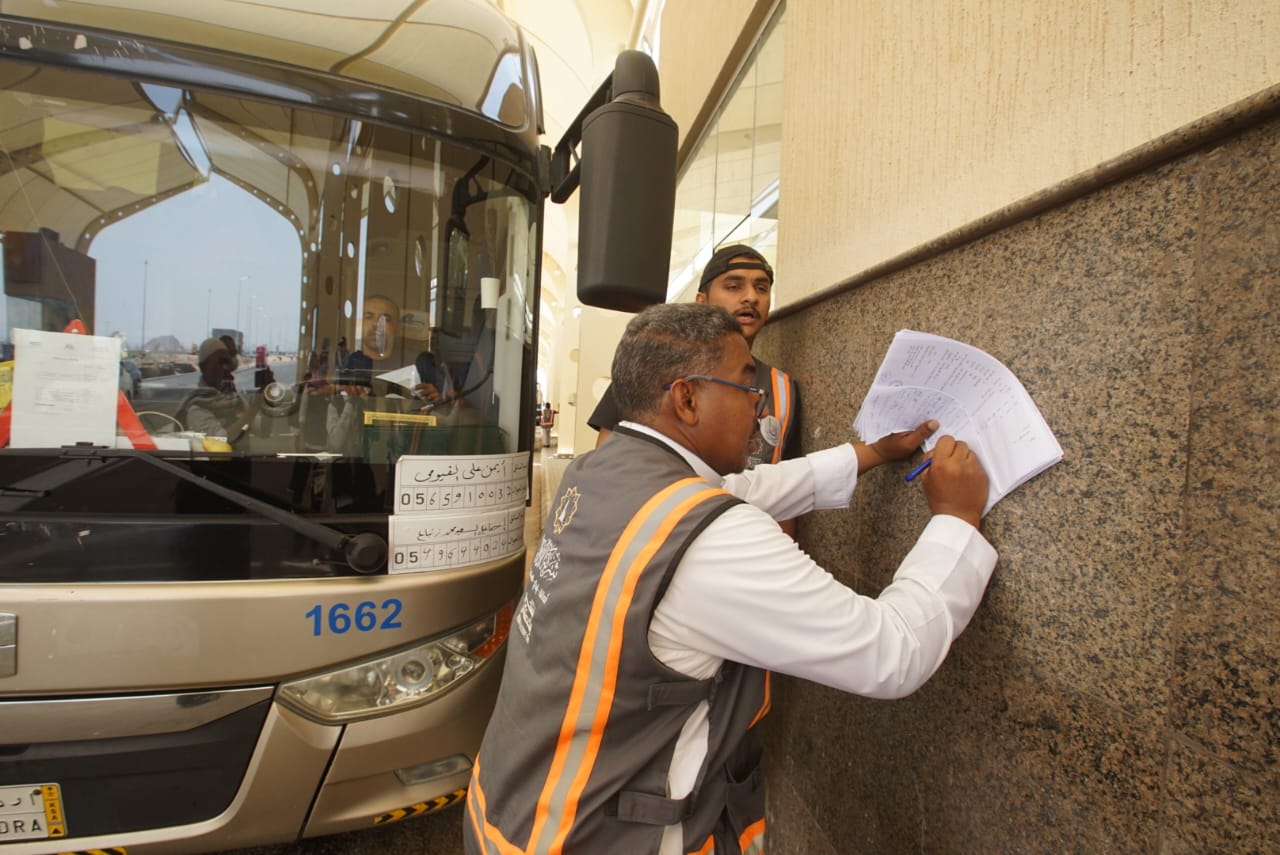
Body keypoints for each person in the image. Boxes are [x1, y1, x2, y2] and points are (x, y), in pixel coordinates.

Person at [464, 303, 996, 855]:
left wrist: (870, 454)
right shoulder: (710, 541)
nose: (759, 406)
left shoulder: (601, 472)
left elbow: (741, 490)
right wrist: (955, 521)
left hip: (510, 814)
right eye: (747, 386)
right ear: (687, 398)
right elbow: (893, 651)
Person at [589, 244, 804, 536]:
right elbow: (607, 466)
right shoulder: (652, 364)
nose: (751, 297)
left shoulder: (783, 388)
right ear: (702, 301)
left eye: (761, 287)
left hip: (749, 550)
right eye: (733, 286)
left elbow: (787, 492)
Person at [176, 337, 250, 438]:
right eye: (219, 362)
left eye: (226, 362)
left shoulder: (233, 398)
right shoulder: (197, 406)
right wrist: (252, 411)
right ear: (204, 367)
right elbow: (223, 440)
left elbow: (261, 430)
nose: (225, 368)